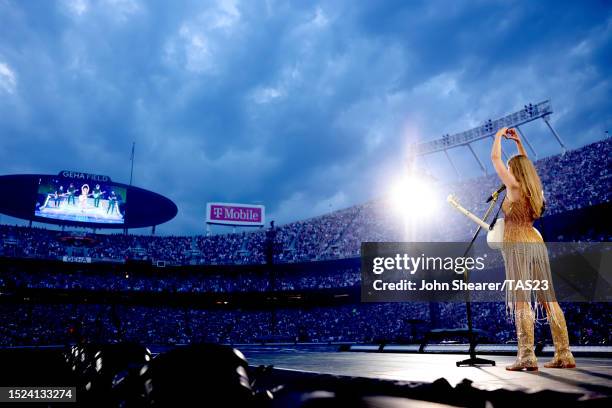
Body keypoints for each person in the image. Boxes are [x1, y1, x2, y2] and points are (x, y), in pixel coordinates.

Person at [491, 127, 575, 371]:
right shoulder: (535, 189)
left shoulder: (514, 187)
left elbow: (495, 159)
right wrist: (518, 144)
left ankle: (526, 356)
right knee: (550, 300)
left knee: (521, 301)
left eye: (511, 168)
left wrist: (497, 136)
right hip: (535, 242)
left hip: (517, 243)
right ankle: (564, 353)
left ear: (515, 171)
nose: (506, 171)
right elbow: (526, 166)